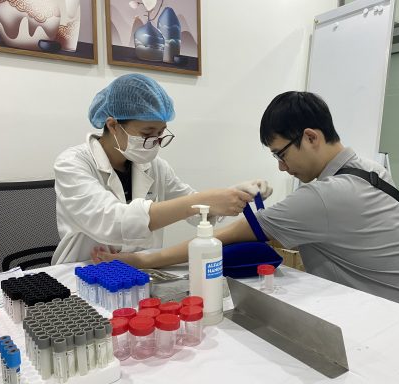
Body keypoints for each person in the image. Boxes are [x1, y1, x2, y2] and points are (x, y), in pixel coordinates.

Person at [93, 91, 399, 308]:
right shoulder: (371, 169)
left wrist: (145, 260)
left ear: (311, 137)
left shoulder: (325, 195)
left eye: (281, 154)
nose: (281, 167)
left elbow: (225, 236)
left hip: (377, 313)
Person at [52, 74, 272, 265]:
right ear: (113, 125)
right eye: (147, 133)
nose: (155, 142)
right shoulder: (72, 163)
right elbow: (111, 221)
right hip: (81, 269)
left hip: (138, 270)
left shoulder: (155, 166)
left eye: (160, 133)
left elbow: (195, 210)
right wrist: (202, 200)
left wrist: (234, 193)